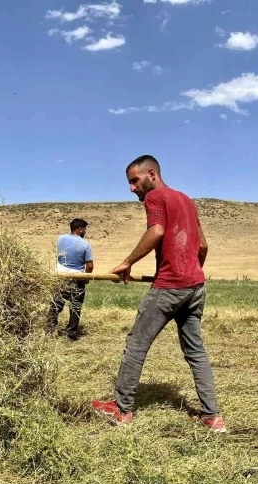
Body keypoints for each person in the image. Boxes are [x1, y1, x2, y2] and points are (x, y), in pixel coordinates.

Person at [91, 155, 226, 433]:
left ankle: (121, 409)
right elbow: (202, 245)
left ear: (151, 174)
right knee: (196, 352)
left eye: (134, 181)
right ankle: (212, 417)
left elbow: (157, 232)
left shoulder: (156, 198)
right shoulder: (187, 200)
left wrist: (128, 262)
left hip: (169, 287)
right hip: (195, 287)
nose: (132, 189)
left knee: (136, 345)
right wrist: (190, 270)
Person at [49, 218, 94, 341]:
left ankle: (49, 331)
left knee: (55, 305)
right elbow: (89, 265)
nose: (85, 232)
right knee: (75, 307)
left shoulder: (60, 239)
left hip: (60, 277)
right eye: (84, 229)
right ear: (80, 229)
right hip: (76, 279)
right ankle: (71, 334)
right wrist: (86, 278)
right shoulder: (85, 244)